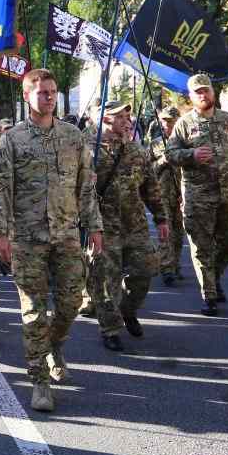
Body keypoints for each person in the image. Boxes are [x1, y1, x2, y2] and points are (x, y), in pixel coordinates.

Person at [0, 69, 102, 413]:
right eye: (42, 92)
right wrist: (0, 233)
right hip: (27, 238)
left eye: (53, 92)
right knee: (34, 311)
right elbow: (0, 190)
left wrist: (94, 226)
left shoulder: (73, 136)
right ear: (28, 96)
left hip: (66, 234)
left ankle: (54, 344)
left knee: (71, 303)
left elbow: (86, 185)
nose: (50, 97)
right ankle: (39, 378)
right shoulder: (12, 140)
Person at [86, 102, 168, 351]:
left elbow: (150, 187)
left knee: (145, 271)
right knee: (105, 280)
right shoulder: (86, 149)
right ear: (105, 119)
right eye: (120, 117)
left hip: (135, 225)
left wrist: (161, 218)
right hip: (102, 226)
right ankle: (110, 329)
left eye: (127, 116)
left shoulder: (135, 150)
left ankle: (128, 309)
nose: (127, 121)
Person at [166, 73, 228, 315]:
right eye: (198, 92)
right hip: (198, 195)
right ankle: (209, 294)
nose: (203, 95)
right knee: (201, 246)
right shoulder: (183, 124)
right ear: (191, 97)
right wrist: (190, 155)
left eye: (206, 90)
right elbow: (170, 154)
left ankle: (214, 276)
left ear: (213, 92)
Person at [151, 106, 185, 287]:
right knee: (166, 232)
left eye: (170, 121)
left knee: (179, 233)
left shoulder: (186, 142)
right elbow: (149, 171)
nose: (166, 125)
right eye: (164, 121)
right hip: (162, 193)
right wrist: (163, 160)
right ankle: (166, 268)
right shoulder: (156, 144)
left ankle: (175, 264)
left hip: (182, 194)